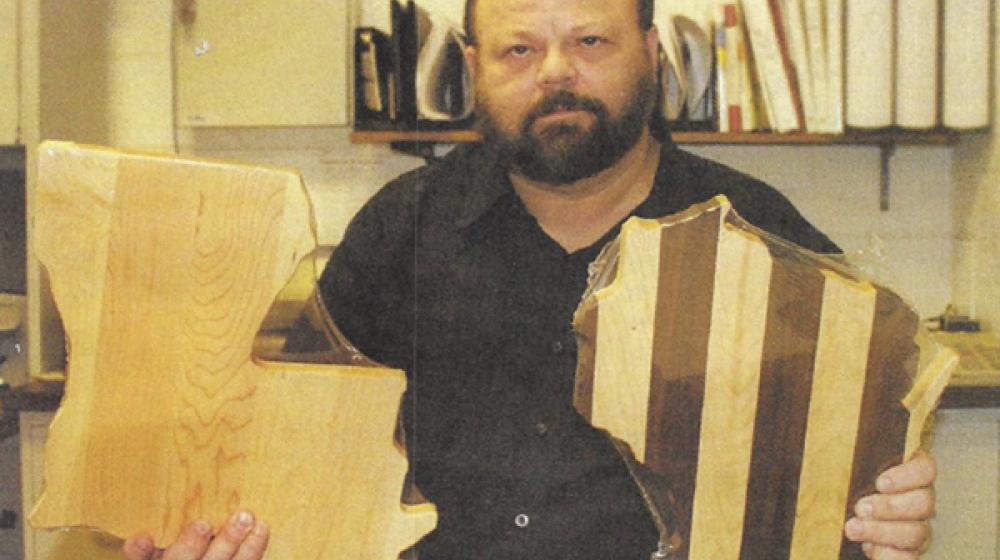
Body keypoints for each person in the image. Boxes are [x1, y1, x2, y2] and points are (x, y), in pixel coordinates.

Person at [124, 0, 936, 558]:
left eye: (591, 41)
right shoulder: (399, 231)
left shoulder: (763, 238)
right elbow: (291, 456)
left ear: (649, 53)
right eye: (520, 48)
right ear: (474, 66)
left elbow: (848, 472)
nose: (556, 72)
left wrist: (885, 513)